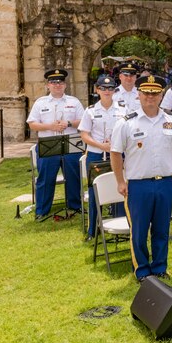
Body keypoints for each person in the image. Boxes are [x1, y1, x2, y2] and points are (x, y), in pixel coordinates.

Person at [110, 75, 172, 281]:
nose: (150, 97)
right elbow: (116, 153)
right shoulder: (126, 123)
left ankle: (160, 267)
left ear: (161, 95)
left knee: (162, 229)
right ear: (139, 95)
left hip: (164, 182)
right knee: (139, 231)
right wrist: (120, 180)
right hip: (138, 184)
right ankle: (143, 271)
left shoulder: (171, 121)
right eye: (146, 93)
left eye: (155, 93)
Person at [26, 69, 85, 220]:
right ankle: (42, 211)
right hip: (48, 145)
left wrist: (69, 123)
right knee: (45, 179)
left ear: (65, 85)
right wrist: (49, 127)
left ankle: (76, 206)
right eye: (53, 82)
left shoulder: (74, 101)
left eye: (60, 82)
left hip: (71, 145)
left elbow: (84, 121)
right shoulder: (40, 103)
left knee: (74, 177)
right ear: (48, 85)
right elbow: (32, 124)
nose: (57, 85)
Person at [78, 75, 126, 239]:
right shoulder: (90, 110)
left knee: (121, 187)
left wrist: (115, 144)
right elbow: (84, 135)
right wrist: (101, 145)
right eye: (103, 88)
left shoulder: (123, 109)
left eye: (111, 88)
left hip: (118, 154)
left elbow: (128, 131)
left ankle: (120, 224)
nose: (107, 91)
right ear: (97, 90)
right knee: (95, 191)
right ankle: (93, 229)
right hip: (96, 154)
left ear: (114, 90)